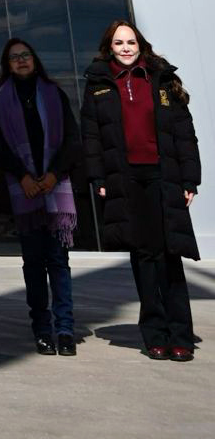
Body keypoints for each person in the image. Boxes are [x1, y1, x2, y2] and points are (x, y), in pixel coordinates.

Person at [82, 18, 201, 361]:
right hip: (126, 180)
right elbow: (91, 136)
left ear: (140, 45)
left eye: (131, 42)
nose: (125, 49)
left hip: (164, 177)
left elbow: (184, 134)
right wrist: (99, 178)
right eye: (119, 43)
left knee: (169, 255)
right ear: (110, 48)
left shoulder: (162, 79)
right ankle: (155, 335)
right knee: (143, 258)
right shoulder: (99, 84)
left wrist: (189, 180)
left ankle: (180, 336)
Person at [0, 36, 81, 355]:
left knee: (58, 261)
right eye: (14, 57)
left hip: (56, 189)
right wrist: (24, 177)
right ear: (7, 65)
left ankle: (65, 328)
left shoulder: (55, 94)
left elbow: (72, 140)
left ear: (35, 59)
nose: (21, 60)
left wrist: (53, 174)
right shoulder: (1, 100)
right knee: (33, 263)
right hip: (24, 191)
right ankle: (42, 329)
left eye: (26, 55)